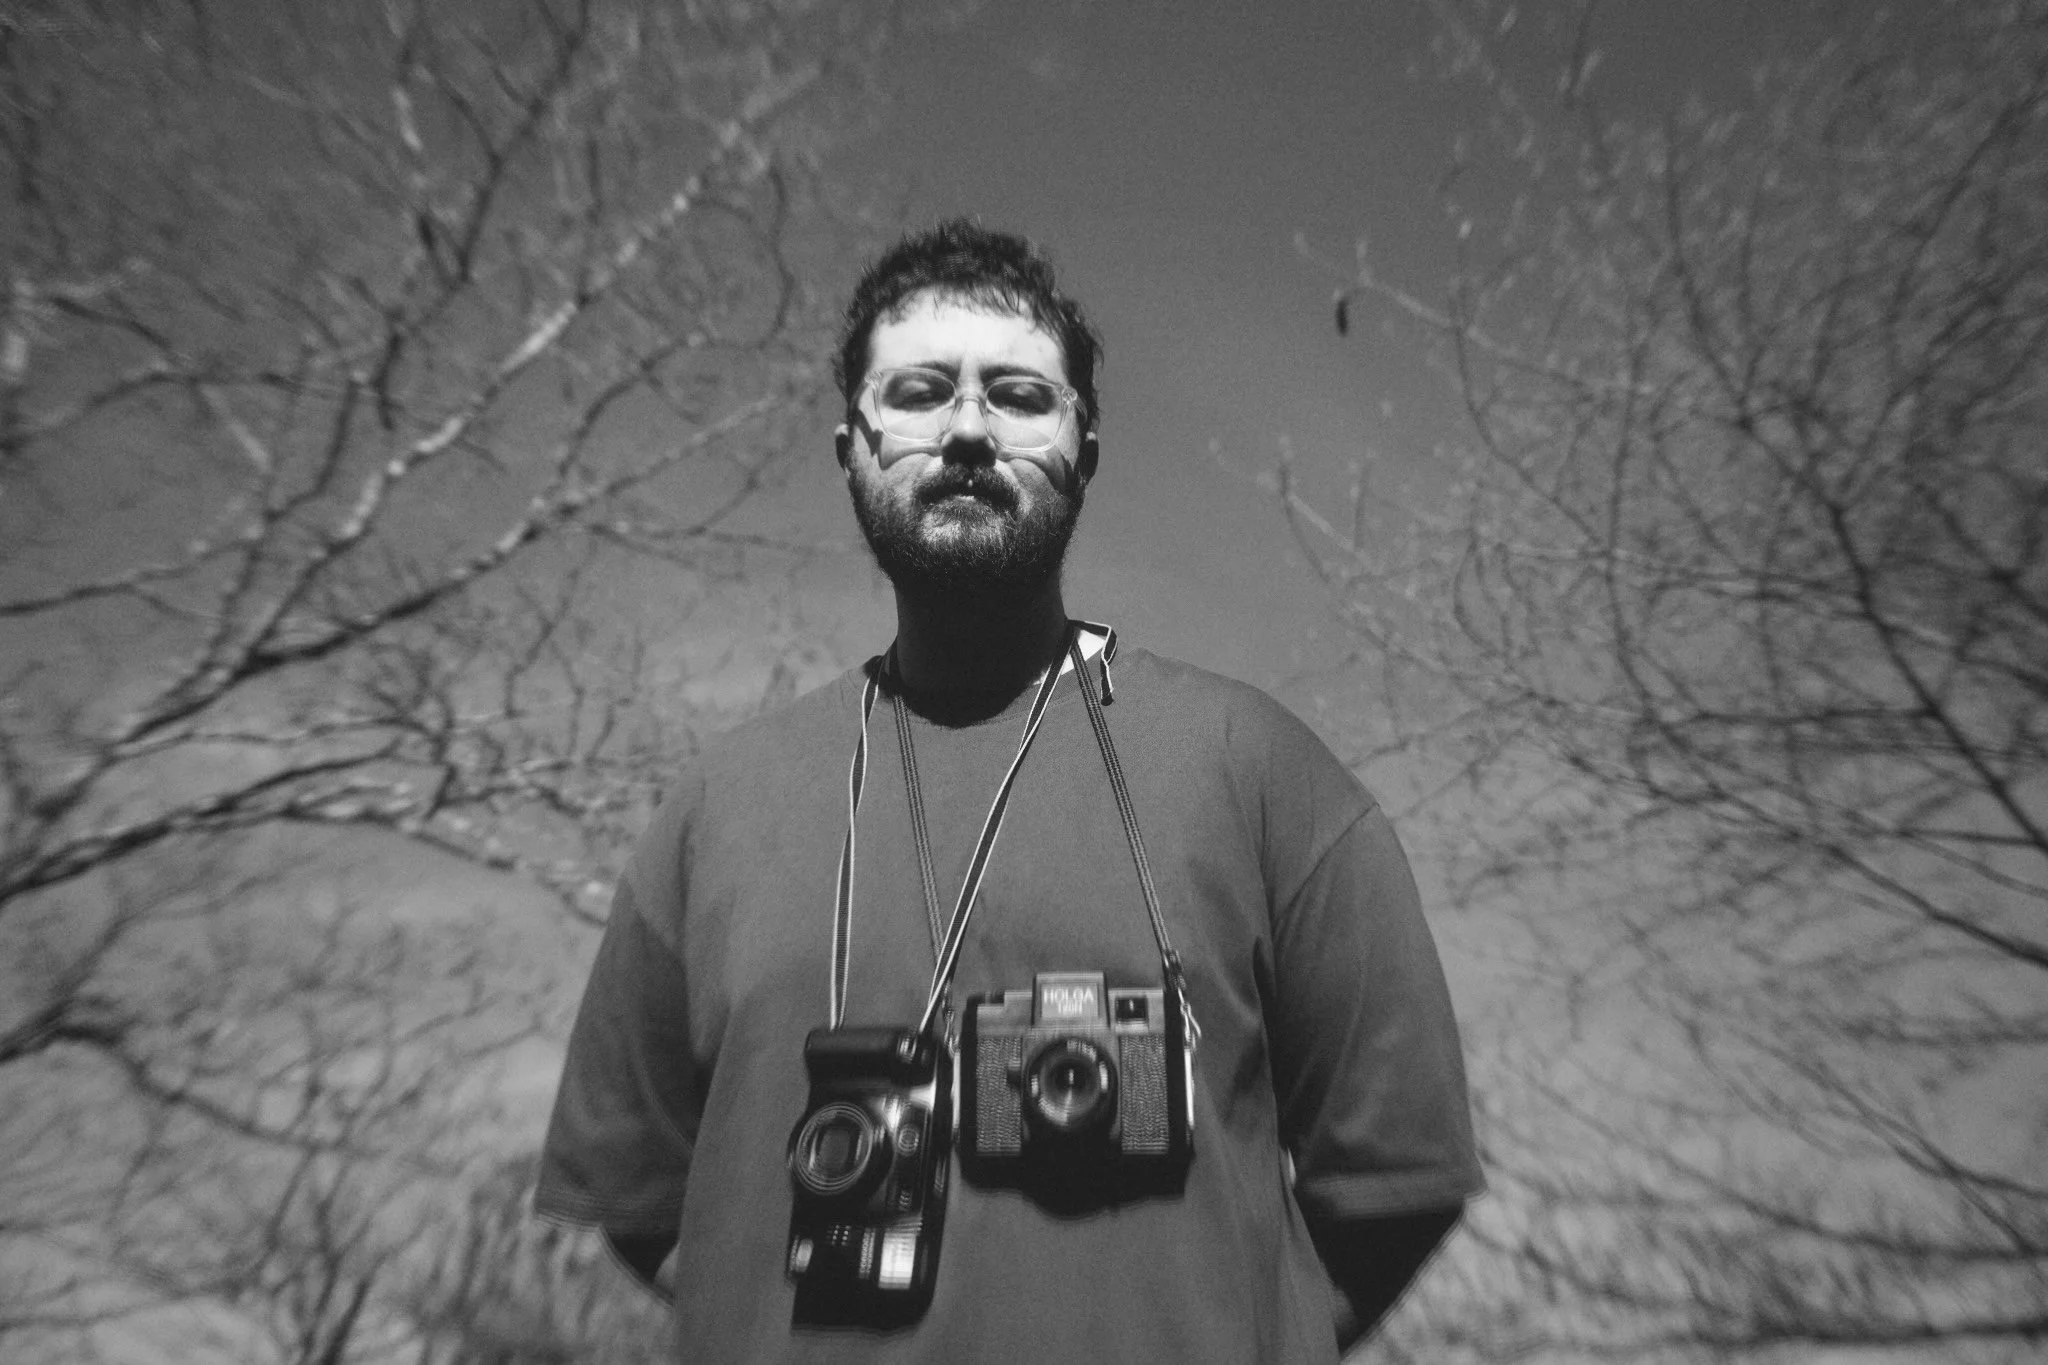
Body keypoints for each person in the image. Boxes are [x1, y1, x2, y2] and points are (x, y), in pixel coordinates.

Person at [534, 219, 1483, 1362]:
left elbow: (1396, 1178)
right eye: (922, 391)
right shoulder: (715, 809)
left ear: (1083, 448)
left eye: (1020, 397)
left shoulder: (1259, 770)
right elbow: (635, 1202)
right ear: (851, 444)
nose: (969, 431)